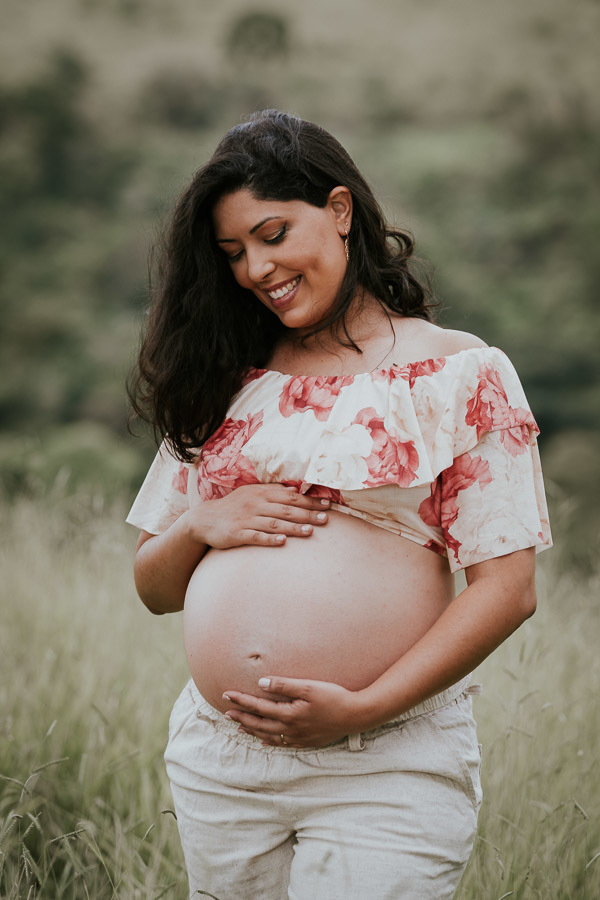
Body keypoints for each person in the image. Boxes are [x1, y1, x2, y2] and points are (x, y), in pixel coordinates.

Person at [126, 109, 552, 900]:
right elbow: (153, 587)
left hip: (383, 760)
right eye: (234, 253)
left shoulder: (460, 371)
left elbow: (508, 588)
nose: (255, 267)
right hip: (224, 765)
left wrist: (362, 707)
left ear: (340, 210)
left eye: (273, 233)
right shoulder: (227, 377)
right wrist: (199, 524)